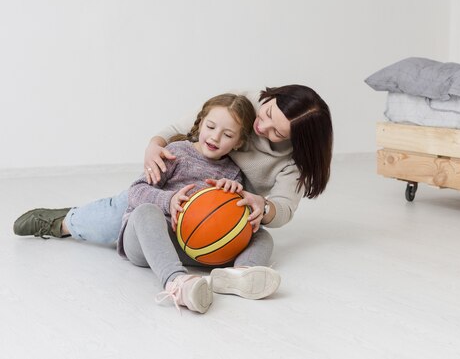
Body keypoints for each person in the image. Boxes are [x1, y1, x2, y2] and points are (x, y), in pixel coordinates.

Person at [14, 84, 333, 299]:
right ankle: (65, 222)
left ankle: (241, 275)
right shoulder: (238, 108)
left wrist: (259, 205)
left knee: (261, 235)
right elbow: (185, 128)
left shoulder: (288, 165)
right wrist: (154, 148)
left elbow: (283, 208)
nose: (261, 127)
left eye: (277, 131)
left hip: (208, 218)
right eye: (266, 114)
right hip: (167, 200)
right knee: (123, 207)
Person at [119, 93, 259, 313]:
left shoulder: (232, 173)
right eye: (211, 127)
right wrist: (169, 200)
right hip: (148, 242)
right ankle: (176, 282)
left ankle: (239, 275)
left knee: (259, 233)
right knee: (146, 212)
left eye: (228, 134)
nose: (215, 137)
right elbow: (136, 191)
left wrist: (235, 197)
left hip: (194, 246)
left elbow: (232, 220)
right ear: (200, 122)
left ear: (239, 142)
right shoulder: (176, 153)